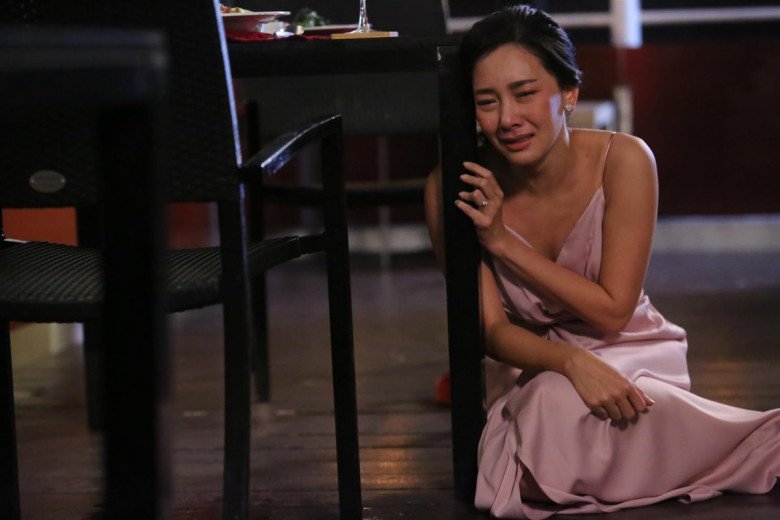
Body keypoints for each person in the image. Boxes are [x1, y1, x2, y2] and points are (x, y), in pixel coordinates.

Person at [424, 5, 780, 518]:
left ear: (568, 93)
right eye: (487, 102)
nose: (507, 119)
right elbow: (491, 331)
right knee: (549, 406)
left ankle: (729, 444)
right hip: (531, 365)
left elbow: (613, 311)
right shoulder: (453, 188)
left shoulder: (626, 160)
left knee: (573, 416)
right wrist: (569, 362)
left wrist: (502, 242)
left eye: (524, 94)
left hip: (628, 348)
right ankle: (682, 452)